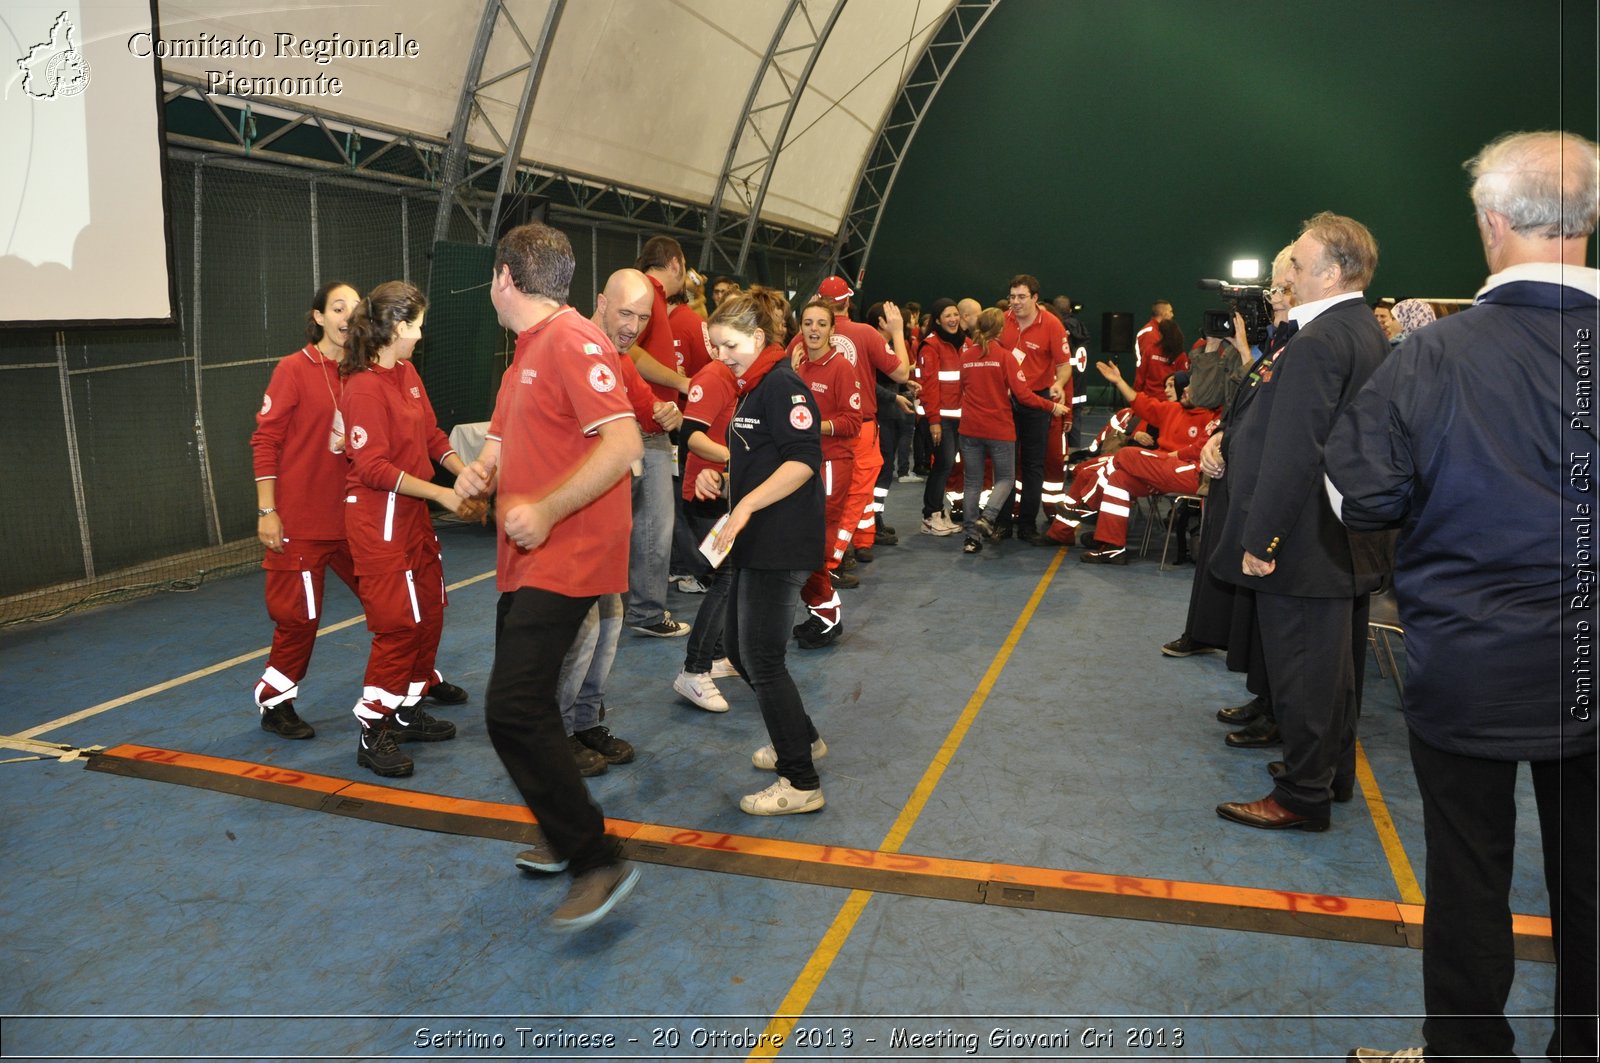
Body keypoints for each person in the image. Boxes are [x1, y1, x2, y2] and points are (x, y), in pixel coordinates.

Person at [1330, 130, 1598, 1063]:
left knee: (1471, 875)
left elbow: (1360, 493)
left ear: (1492, 223)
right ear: (1591, 219)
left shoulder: (1435, 356)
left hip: (1472, 669)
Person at [455, 221, 642, 931]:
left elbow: (623, 443)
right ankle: (562, 828)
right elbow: (501, 442)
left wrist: (548, 506)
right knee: (517, 710)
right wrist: (482, 471)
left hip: (571, 551)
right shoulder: (524, 354)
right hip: (528, 555)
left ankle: (596, 856)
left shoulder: (573, 340)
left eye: (492, 277)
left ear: (505, 278)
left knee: (512, 705)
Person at [1209, 212, 1391, 832]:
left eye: (1299, 261)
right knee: (1332, 669)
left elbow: (1296, 451)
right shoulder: (1359, 329)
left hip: (1307, 539)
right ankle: (1330, 774)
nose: (1289, 271)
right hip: (1340, 534)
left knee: (1305, 674)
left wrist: (1262, 539)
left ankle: (1302, 796)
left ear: (1333, 271)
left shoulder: (1317, 342)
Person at [693, 288, 828, 815]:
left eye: (729, 346)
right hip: (756, 540)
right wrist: (725, 477)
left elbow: (802, 461)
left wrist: (745, 506)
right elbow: (763, 458)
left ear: (756, 338)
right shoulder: (751, 387)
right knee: (740, 648)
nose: (721, 356)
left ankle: (800, 781)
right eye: (715, 346)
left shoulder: (781, 385)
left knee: (762, 659)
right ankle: (802, 736)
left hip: (781, 541)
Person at [338, 282, 474, 778]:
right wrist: (440, 493)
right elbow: (371, 466)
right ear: (396, 328)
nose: (421, 333)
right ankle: (372, 728)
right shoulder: (363, 387)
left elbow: (432, 435)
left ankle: (406, 708)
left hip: (412, 516)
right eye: (416, 325)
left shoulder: (408, 372)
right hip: (379, 523)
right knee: (398, 625)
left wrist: (463, 471)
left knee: (430, 613)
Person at [250, 281, 362, 740]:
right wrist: (267, 512)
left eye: (356, 310)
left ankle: (411, 687)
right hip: (301, 522)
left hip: (356, 520)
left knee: (393, 604)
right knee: (299, 619)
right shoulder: (293, 370)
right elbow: (265, 441)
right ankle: (275, 702)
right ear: (318, 316)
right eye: (338, 308)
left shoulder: (365, 372)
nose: (347, 317)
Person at [1073, 365, 1220, 564]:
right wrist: (1119, 381)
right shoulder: (1174, 409)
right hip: (1166, 468)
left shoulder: (1216, 416)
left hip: (1193, 472)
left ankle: (1089, 504)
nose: (1183, 389)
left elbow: (1199, 450)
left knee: (1126, 455)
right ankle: (1112, 547)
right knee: (1118, 479)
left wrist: (1171, 456)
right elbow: (1142, 404)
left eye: (1191, 386)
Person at [957, 308, 1068, 554]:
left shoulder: (965, 356)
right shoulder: (1006, 357)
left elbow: (960, 390)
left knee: (972, 483)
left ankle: (971, 538)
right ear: (1000, 330)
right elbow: (1025, 396)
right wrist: (1052, 407)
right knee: (1005, 479)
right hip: (999, 429)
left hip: (970, 429)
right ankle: (988, 517)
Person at [626, 235, 693, 637]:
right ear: (674, 262)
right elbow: (628, 351)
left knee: (639, 524)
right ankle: (647, 613)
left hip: (645, 425)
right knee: (654, 524)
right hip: (645, 427)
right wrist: (681, 383)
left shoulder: (647, 295)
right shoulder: (647, 292)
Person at [672, 356, 741, 712]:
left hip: (723, 491)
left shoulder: (739, 378)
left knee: (731, 575)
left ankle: (715, 656)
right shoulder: (715, 376)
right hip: (707, 496)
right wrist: (738, 459)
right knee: (727, 577)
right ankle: (693, 670)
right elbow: (691, 438)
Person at [791, 299, 861, 649]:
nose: (814, 329)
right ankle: (821, 612)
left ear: (833, 329)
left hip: (832, 465)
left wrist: (818, 425)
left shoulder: (842, 369)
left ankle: (827, 615)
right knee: (803, 543)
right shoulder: (799, 367)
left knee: (814, 545)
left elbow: (853, 422)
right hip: (802, 466)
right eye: (808, 322)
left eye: (821, 323)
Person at [995, 273, 1071, 544]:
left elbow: (1064, 365)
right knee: (1005, 463)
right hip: (1004, 400)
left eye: (1021, 297)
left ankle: (1027, 523)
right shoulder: (1001, 321)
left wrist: (1059, 384)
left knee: (1032, 464)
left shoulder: (1052, 324)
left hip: (1037, 399)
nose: (1015, 302)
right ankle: (1002, 523)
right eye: (1012, 296)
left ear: (1035, 298)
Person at [915, 298, 966, 536]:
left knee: (947, 465)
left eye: (955, 314)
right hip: (938, 419)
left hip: (958, 418)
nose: (953, 319)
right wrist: (934, 421)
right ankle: (930, 515)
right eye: (947, 315)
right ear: (937, 320)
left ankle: (938, 511)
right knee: (943, 464)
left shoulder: (965, 343)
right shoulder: (930, 346)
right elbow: (929, 386)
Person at [1133, 299, 1182, 400]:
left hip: (1162, 393)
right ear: (1164, 313)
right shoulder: (1150, 334)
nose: (1172, 315)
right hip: (1152, 394)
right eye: (1170, 311)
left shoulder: (1161, 333)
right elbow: (1150, 367)